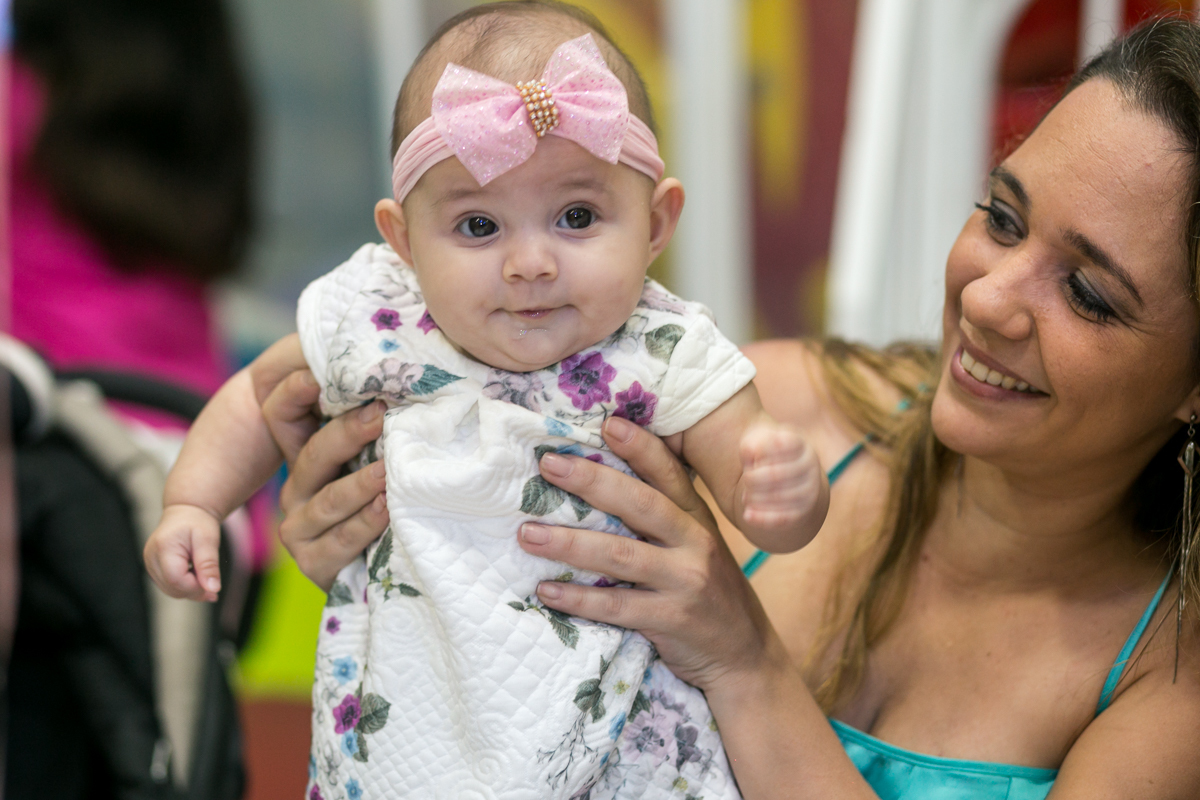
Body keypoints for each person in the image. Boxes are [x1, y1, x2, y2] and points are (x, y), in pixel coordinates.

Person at [259, 15, 1200, 799]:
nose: (989, 299)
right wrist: (361, 533)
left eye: (1088, 294)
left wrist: (744, 660)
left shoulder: (1169, 684)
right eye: (1002, 217)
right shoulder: (768, 414)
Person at [143, 3, 829, 797]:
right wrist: (193, 503)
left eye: (577, 217)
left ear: (655, 223)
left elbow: (759, 500)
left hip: (616, 731)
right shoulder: (381, 315)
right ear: (403, 241)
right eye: (478, 226)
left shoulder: (662, 348)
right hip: (410, 711)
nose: (530, 262)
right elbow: (253, 399)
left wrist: (782, 491)